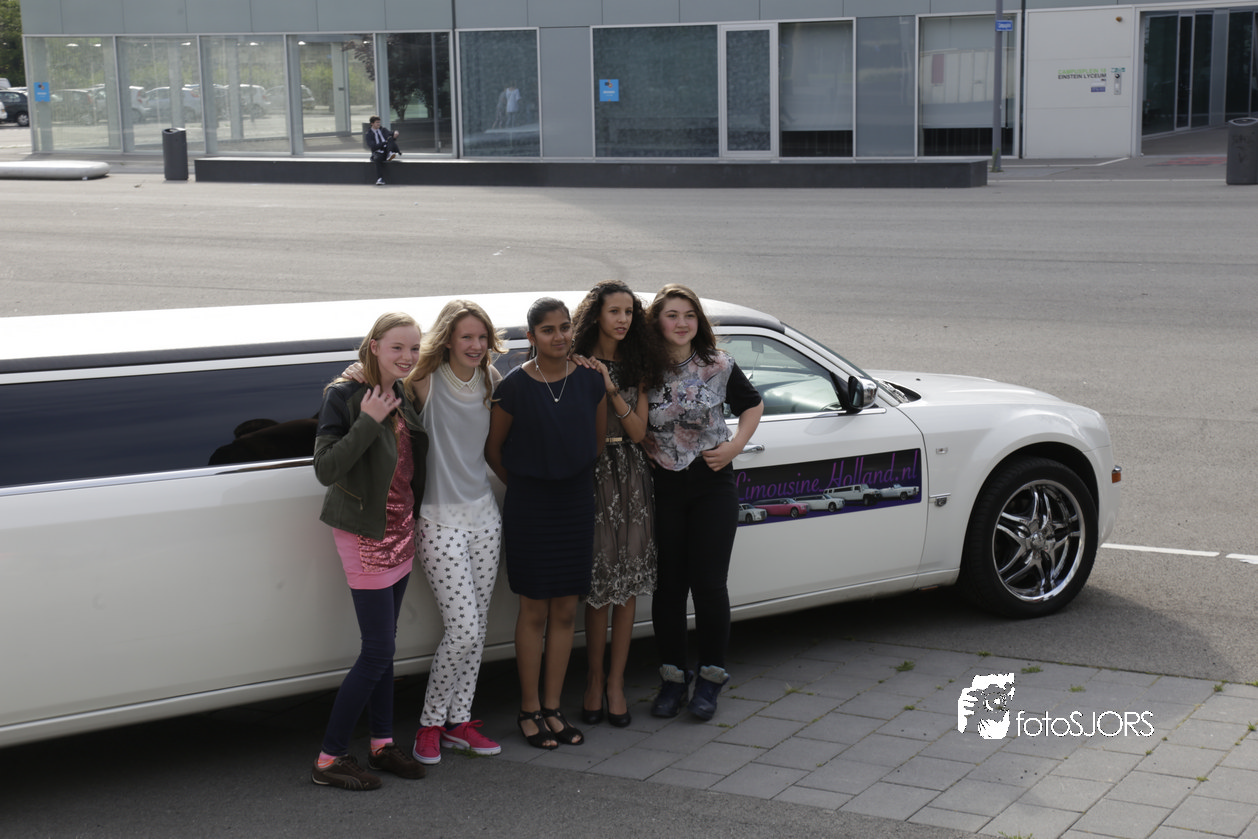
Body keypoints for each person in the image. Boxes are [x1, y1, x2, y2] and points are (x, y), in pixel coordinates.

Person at [310, 312, 429, 791]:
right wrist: (367, 420)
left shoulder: (401, 391)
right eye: (397, 347)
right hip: (365, 534)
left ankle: (382, 744)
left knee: (386, 646)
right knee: (377, 649)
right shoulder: (344, 395)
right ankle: (329, 759)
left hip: (400, 529)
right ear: (374, 345)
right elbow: (325, 468)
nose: (407, 357)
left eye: (414, 348)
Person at [485, 297, 607, 750]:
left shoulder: (591, 380)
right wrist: (527, 486)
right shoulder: (514, 387)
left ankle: (553, 709)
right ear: (531, 335)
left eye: (565, 327)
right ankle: (529, 709)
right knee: (534, 610)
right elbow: (493, 451)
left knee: (566, 610)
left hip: (574, 504)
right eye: (548, 329)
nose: (559, 336)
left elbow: (596, 444)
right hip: (531, 508)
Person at [642, 284, 763, 722]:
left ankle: (711, 679)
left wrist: (735, 446)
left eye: (689, 315)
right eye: (672, 315)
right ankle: (673, 679)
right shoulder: (643, 367)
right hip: (664, 486)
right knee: (669, 587)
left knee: (709, 585)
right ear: (657, 321)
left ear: (699, 321)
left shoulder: (718, 364)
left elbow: (752, 405)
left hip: (712, 484)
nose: (682, 323)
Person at [404, 301, 507, 766]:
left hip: (485, 518)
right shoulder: (424, 380)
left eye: (482, 337)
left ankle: (458, 722)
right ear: (447, 338)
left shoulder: (491, 380)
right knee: (462, 629)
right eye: (467, 337)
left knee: (478, 628)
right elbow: (381, 375)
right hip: (438, 519)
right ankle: (429, 725)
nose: (476, 345)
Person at [570, 281, 666, 728]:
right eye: (615, 311)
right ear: (597, 315)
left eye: (629, 311)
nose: (624, 319)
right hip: (592, 474)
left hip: (632, 474)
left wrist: (610, 387)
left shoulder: (639, 363)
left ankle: (615, 684)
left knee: (627, 586)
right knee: (600, 582)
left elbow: (638, 432)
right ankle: (592, 681)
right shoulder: (575, 361)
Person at [364, 115, 401, 185]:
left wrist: (395, 133)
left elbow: (391, 134)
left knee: (390, 139)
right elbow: (373, 146)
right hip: (378, 151)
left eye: (379, 122)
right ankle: (380, 178)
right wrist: (384, 143)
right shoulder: (369, 134)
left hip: (386, 149)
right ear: (372, 123)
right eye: (377, 122)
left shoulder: (383, 130)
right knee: (377, 159)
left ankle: (390, 153)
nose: (379, 124)